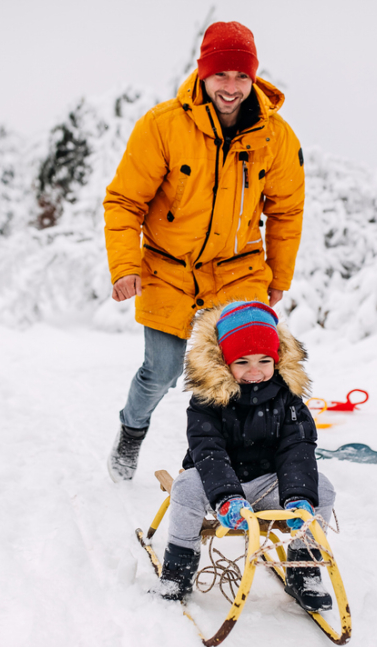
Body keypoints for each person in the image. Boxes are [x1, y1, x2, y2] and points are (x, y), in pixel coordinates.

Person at [104, 20, 306, 481]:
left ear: (253, 77)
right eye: (221, 75)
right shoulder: (162, 127)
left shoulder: (275, 136)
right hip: (168, 270)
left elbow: (287, 211)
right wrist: (124, 265)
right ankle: (131, 431)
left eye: (241, 76)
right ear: (203, 74)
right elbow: (124, 201)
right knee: (162, 371)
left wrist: (279, 278)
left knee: (253, 365)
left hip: (238, 271)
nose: (231, 87)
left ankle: (247, 460)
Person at [157, 301, 335, 612]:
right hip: (217, 482)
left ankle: (303, 570)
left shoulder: (288, 399)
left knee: (323, 488)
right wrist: (226, 496)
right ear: (225, 362)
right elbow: (208, 449)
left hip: (268, 483)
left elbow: (298, 447)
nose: (255, 372)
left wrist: (297, 496)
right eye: (243, 362)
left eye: (264, 361)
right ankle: (178, 570)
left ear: (277, 359)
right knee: (184, 489)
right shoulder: (207, 400)